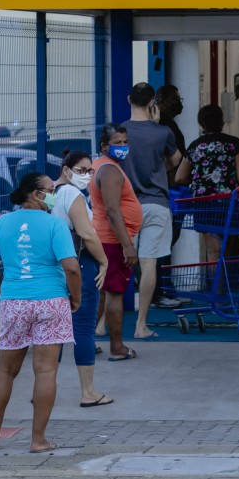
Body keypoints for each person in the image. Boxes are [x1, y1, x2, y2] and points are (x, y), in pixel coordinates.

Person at [0, 172, 81, 453]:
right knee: (46, 371)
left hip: (14, 301)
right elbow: (72, 268)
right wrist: (76, 297)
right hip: (51, 300)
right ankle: (38, 440)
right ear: (35, 194)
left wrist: (6, 294)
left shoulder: (2, 223)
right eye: (50, 190)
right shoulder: (55, 225)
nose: (54, 195)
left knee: (5, 370)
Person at [121, 82, 188, 333]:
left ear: (129, 99)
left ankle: (103, 323)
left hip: (127, 205)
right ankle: (142, 324)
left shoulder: (120, 133)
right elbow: (176, 161)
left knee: (120, 264)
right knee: (149, 265)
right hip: (156, 204)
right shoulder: (163, 133)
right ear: (152, 103)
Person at [51, 150, 113, 407]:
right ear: (66, 170)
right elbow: (87, 235)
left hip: (53, 268)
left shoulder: (47, 193)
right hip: (80, 265)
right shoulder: (71, 194)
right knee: (84, 328)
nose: (86, 175)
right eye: (81, 170)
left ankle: (44, 390)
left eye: (90, 171)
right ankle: (88, 392)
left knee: (52, 333)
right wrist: (104, 260)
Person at [90, 123, 143, 360]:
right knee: (115, 293)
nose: (123, 147)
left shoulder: (101, 166)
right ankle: (117, 347)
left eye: (125, 142)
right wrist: (127, 245)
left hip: (104, 238)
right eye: (117, 143)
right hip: (112, 241)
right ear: (104, 146)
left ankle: (88, 341)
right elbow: (112, 210)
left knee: (101, 293)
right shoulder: (110, 171)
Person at [176, 103, 239, 263]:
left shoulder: (195, 146)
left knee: (212, 250)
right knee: (227, 249)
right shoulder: (234, 144)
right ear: (222, 122)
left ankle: (216, 288)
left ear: (201, 124)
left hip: (203, 204)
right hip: (229, 202)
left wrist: (201, 179)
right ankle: (226, 286)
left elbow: (179, 178)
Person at [154, 84, 192, 307]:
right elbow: (170, 160)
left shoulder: (168, 125)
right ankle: (160, 291)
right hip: (169, 192)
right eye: (175, 99)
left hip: (173, 190)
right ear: (161, 99)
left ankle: (164, 288)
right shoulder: (162, 127)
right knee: (164, 241)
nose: (179, 103)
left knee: (168, 241)